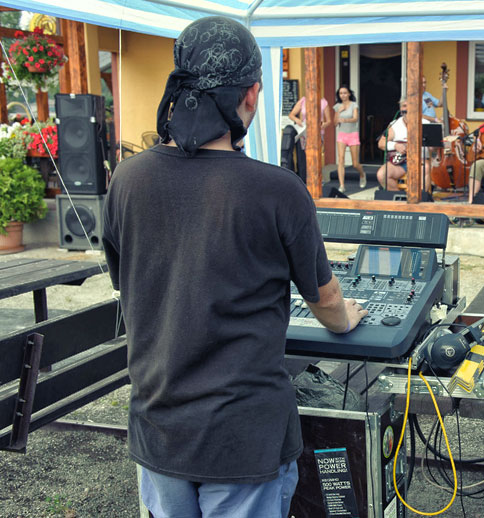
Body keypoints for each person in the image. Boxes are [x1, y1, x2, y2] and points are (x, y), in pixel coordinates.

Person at [102, 16, 368, 518]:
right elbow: (327, 301)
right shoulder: (279, 190)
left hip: (159, 425)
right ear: (251, 94)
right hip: (243, 436)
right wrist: (347, 317)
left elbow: (130, 282)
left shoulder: (127, 179)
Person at [376, 98, 432, 190]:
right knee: (382, 175)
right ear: (401, 109)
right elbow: (381, 143)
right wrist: (395, 146)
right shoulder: (395, 124)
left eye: (410, 105)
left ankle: (421, 197)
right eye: (404, 106)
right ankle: (397, 197)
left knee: (425, 168)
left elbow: (434, 146)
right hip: (400, 162)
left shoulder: (426, 124)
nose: (407, 108)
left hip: (420, 161)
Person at [288, 94, 332, 182]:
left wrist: (323, 125)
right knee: (305, 156)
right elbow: (291, 115)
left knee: (315, 156)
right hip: (304, 132)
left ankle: (317, 178)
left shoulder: (323, 102)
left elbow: (329, 121)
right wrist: (297, 120)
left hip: (317, 133)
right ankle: (306, 178)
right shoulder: (303, 100)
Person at [333, 85, 366, 192]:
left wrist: (345, 120)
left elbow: (355, 119)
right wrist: (339, 112)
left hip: (352, 134)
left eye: (345, 93)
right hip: (342, 135)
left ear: (349, 94)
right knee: (341, 160)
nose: (343, 95)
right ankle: (342, 185)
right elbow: (334, 123)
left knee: (355, 163)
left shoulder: (353, 105)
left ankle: (362, 174)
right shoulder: (337, 106)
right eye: (341, 93)